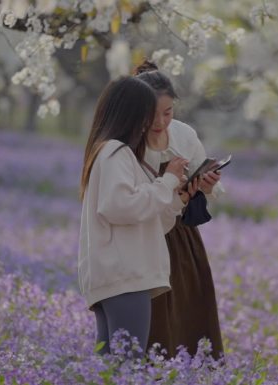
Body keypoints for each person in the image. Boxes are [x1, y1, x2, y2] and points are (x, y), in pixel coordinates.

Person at [78, 76, 190, 355]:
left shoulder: (111, 153)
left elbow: (146, 219)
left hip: (115, 276)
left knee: (111, 369)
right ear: (131, 114)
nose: (151, 124)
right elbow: (119, 206)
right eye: (146, 115)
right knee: (127, 366)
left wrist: (179, 195)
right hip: (125, 274)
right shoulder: (116, 152)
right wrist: (166, 182)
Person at [135, 60, 225, 359]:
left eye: (168, 112)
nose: (160, 122)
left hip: (182, 239)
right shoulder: (126, 140)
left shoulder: (184, 134)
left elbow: (207, 189)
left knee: (189, 319)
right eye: (152, 114)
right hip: (145, 237)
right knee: (156, 324)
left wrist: (206, 184)